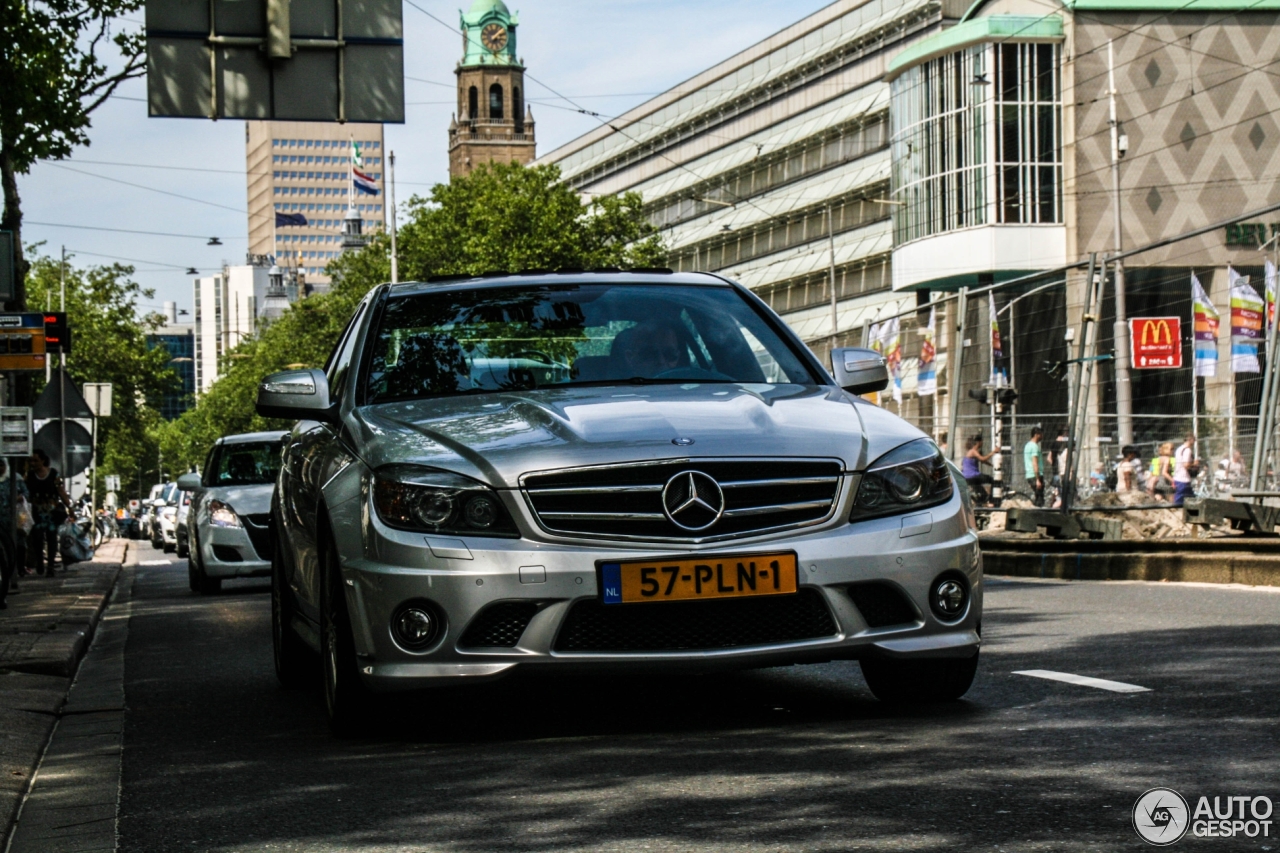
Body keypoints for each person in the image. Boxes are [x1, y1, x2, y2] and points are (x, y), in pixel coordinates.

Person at [26, 450, 71, 576]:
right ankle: (40, 562)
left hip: (52, 512)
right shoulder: (29, 475)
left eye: (35, 460)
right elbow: (25, 492)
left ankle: (50, 565)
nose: (33, 463)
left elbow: (60, 491)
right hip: (36, 512)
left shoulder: (53, 474)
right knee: (37, 539)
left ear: (43, 460)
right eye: (31, 461)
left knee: (52, 538)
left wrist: (69, 506)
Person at [0, 459, 29, 609]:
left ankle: (18, 569)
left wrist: (19, 497)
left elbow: (26, 493)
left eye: (1, 465)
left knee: (18, 543)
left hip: (14, 518)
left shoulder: (14, 478)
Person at [961, 435, 996, 504]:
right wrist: (994, 452)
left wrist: (992, 465)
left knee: (983, 496)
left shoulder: (970, 452)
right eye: (982, 441)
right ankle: (992, 500)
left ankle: (980, 504)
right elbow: (982, 459)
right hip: (974, 475)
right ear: (978, 442)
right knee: (993, 481)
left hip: (967, 477)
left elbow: (983, 461)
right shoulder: (973, 451)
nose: (983, 443)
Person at [1173, 433, 1197, 507]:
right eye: (1194, 440)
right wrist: (1194, 464)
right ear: (1190, 440)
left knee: (1192, 499)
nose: (1194, 442)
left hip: (1178, 477)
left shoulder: (1179, 449)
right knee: (1179, 500)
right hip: (1183, 479)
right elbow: (1186, 465)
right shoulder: (1187, 450)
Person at [1024, 427, 1045, 507]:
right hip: (1035, 475)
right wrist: (1037, 479)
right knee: (1040, 499)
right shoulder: (1034, 447)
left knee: (1037, 497)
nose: (1042, 436)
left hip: (1029, 475)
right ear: (1036, 435)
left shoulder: (1027, 445)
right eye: (1041, 434)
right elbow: (1035, 463)